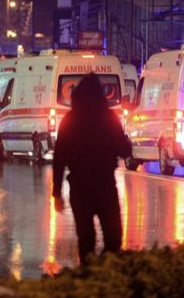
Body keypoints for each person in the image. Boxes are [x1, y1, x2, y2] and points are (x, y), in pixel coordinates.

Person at [52, 74, 132, 262]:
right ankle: (105, 274)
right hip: (104, 186)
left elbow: (59, 158)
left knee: (86, 239)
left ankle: (88, 275)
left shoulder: (69, 120)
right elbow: (124, 150)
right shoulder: (108, 118)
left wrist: (57, 192)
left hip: (80, 188)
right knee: (113, 239)